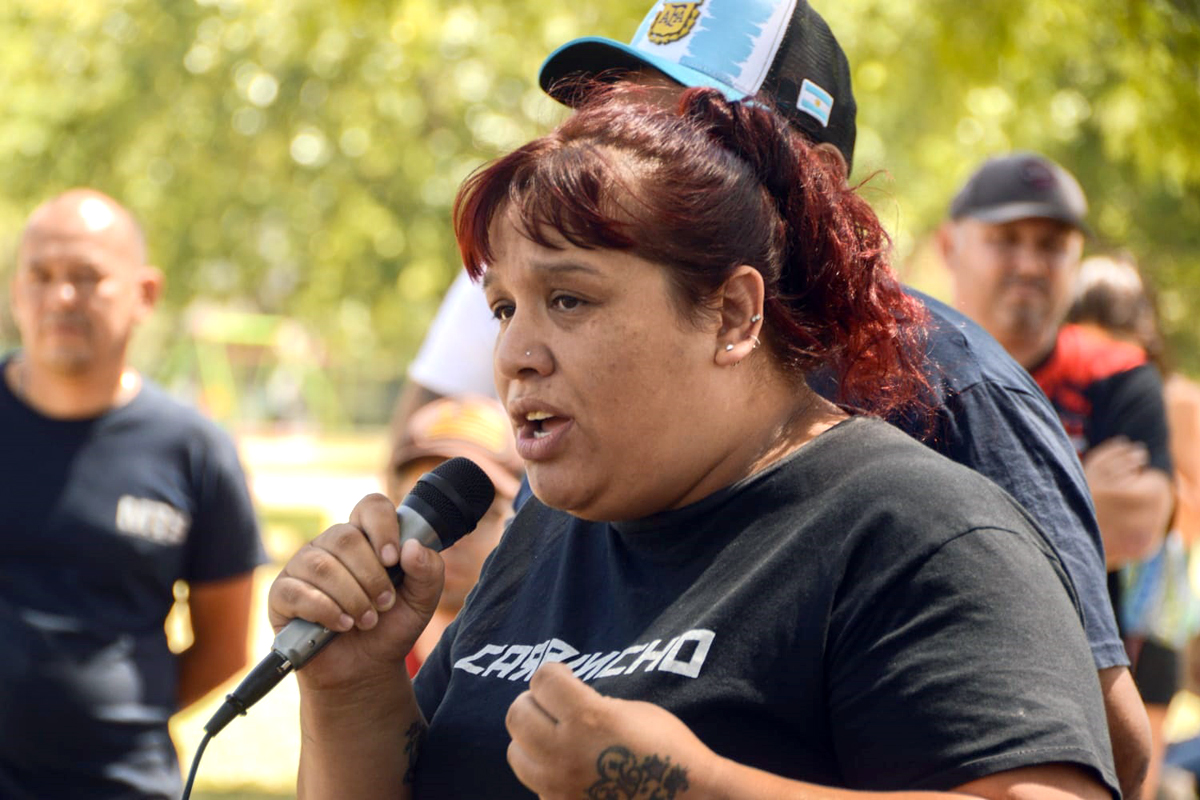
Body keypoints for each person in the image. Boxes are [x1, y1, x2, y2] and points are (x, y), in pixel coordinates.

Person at [270, 83, 1119, 799]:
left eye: (569, 300)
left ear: (733, 315)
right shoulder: (546, 535)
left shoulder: (917, 532)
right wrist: (353, 693)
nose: (516, 356)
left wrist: (686, 784)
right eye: (504, 308)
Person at [0, 189, 265, 799]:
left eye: (87, 277)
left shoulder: (195, 451)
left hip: (123, 784)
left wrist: (113, 714)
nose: (61, 297)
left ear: (145, 293)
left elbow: (224, 644)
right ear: (16, 291)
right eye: (40, 276)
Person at [940, 156, 1176, 798]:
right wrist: (1075, 492)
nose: (1029, 263)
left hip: (1086, 690)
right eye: (1005, 239)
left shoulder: (1115, 373)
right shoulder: (902, 362)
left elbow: (1139, 522)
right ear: (948, 243)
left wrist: (963, 512)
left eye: (1051, 244)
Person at [386, 393, 524, 676]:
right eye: (427, 506)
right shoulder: (371, 653)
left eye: (480, 514)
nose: (449, 535)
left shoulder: (531, 661)